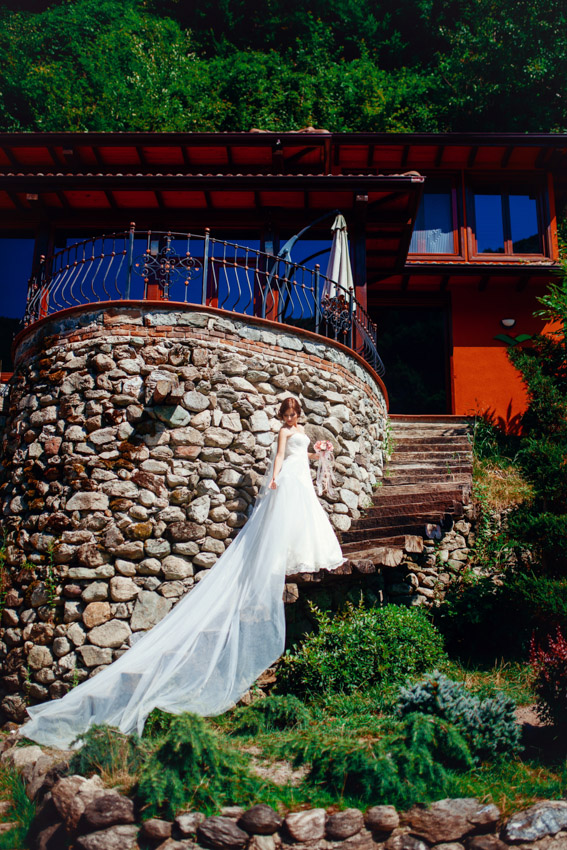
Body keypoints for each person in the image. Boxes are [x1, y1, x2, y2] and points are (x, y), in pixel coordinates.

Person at [21, 397, 344, 749]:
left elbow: (302, 454)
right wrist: (275, 479)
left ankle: (304, 555)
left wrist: (319, 454)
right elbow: (280, 457)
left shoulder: (301, 431)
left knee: (303, 517)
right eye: (288, 414)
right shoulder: (283, 433)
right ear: (283, 415)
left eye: (295, 415)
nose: (292, 419)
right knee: (285, 517)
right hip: (288, 476)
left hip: (302, 474)